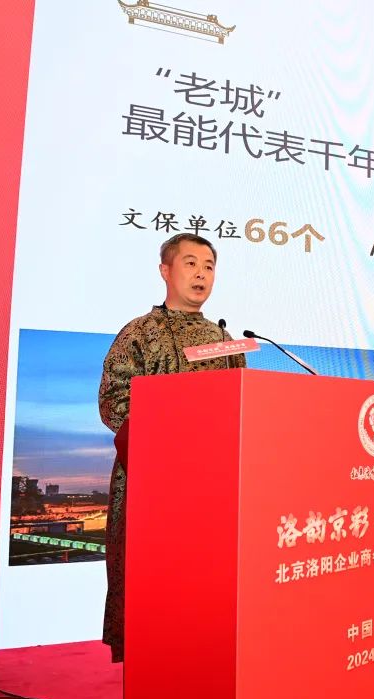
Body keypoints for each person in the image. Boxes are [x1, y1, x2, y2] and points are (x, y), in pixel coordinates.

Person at [97, 232, 246, 663]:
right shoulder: (139, 332)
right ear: (165, 271)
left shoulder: (225, 340)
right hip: (153, 483)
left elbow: (243, 403)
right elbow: (114, 401)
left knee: (211, 590)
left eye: (209, 266)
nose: (201, 274)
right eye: (191, 264)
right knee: (153, 590)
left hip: (215, 486)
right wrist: (172, 437)